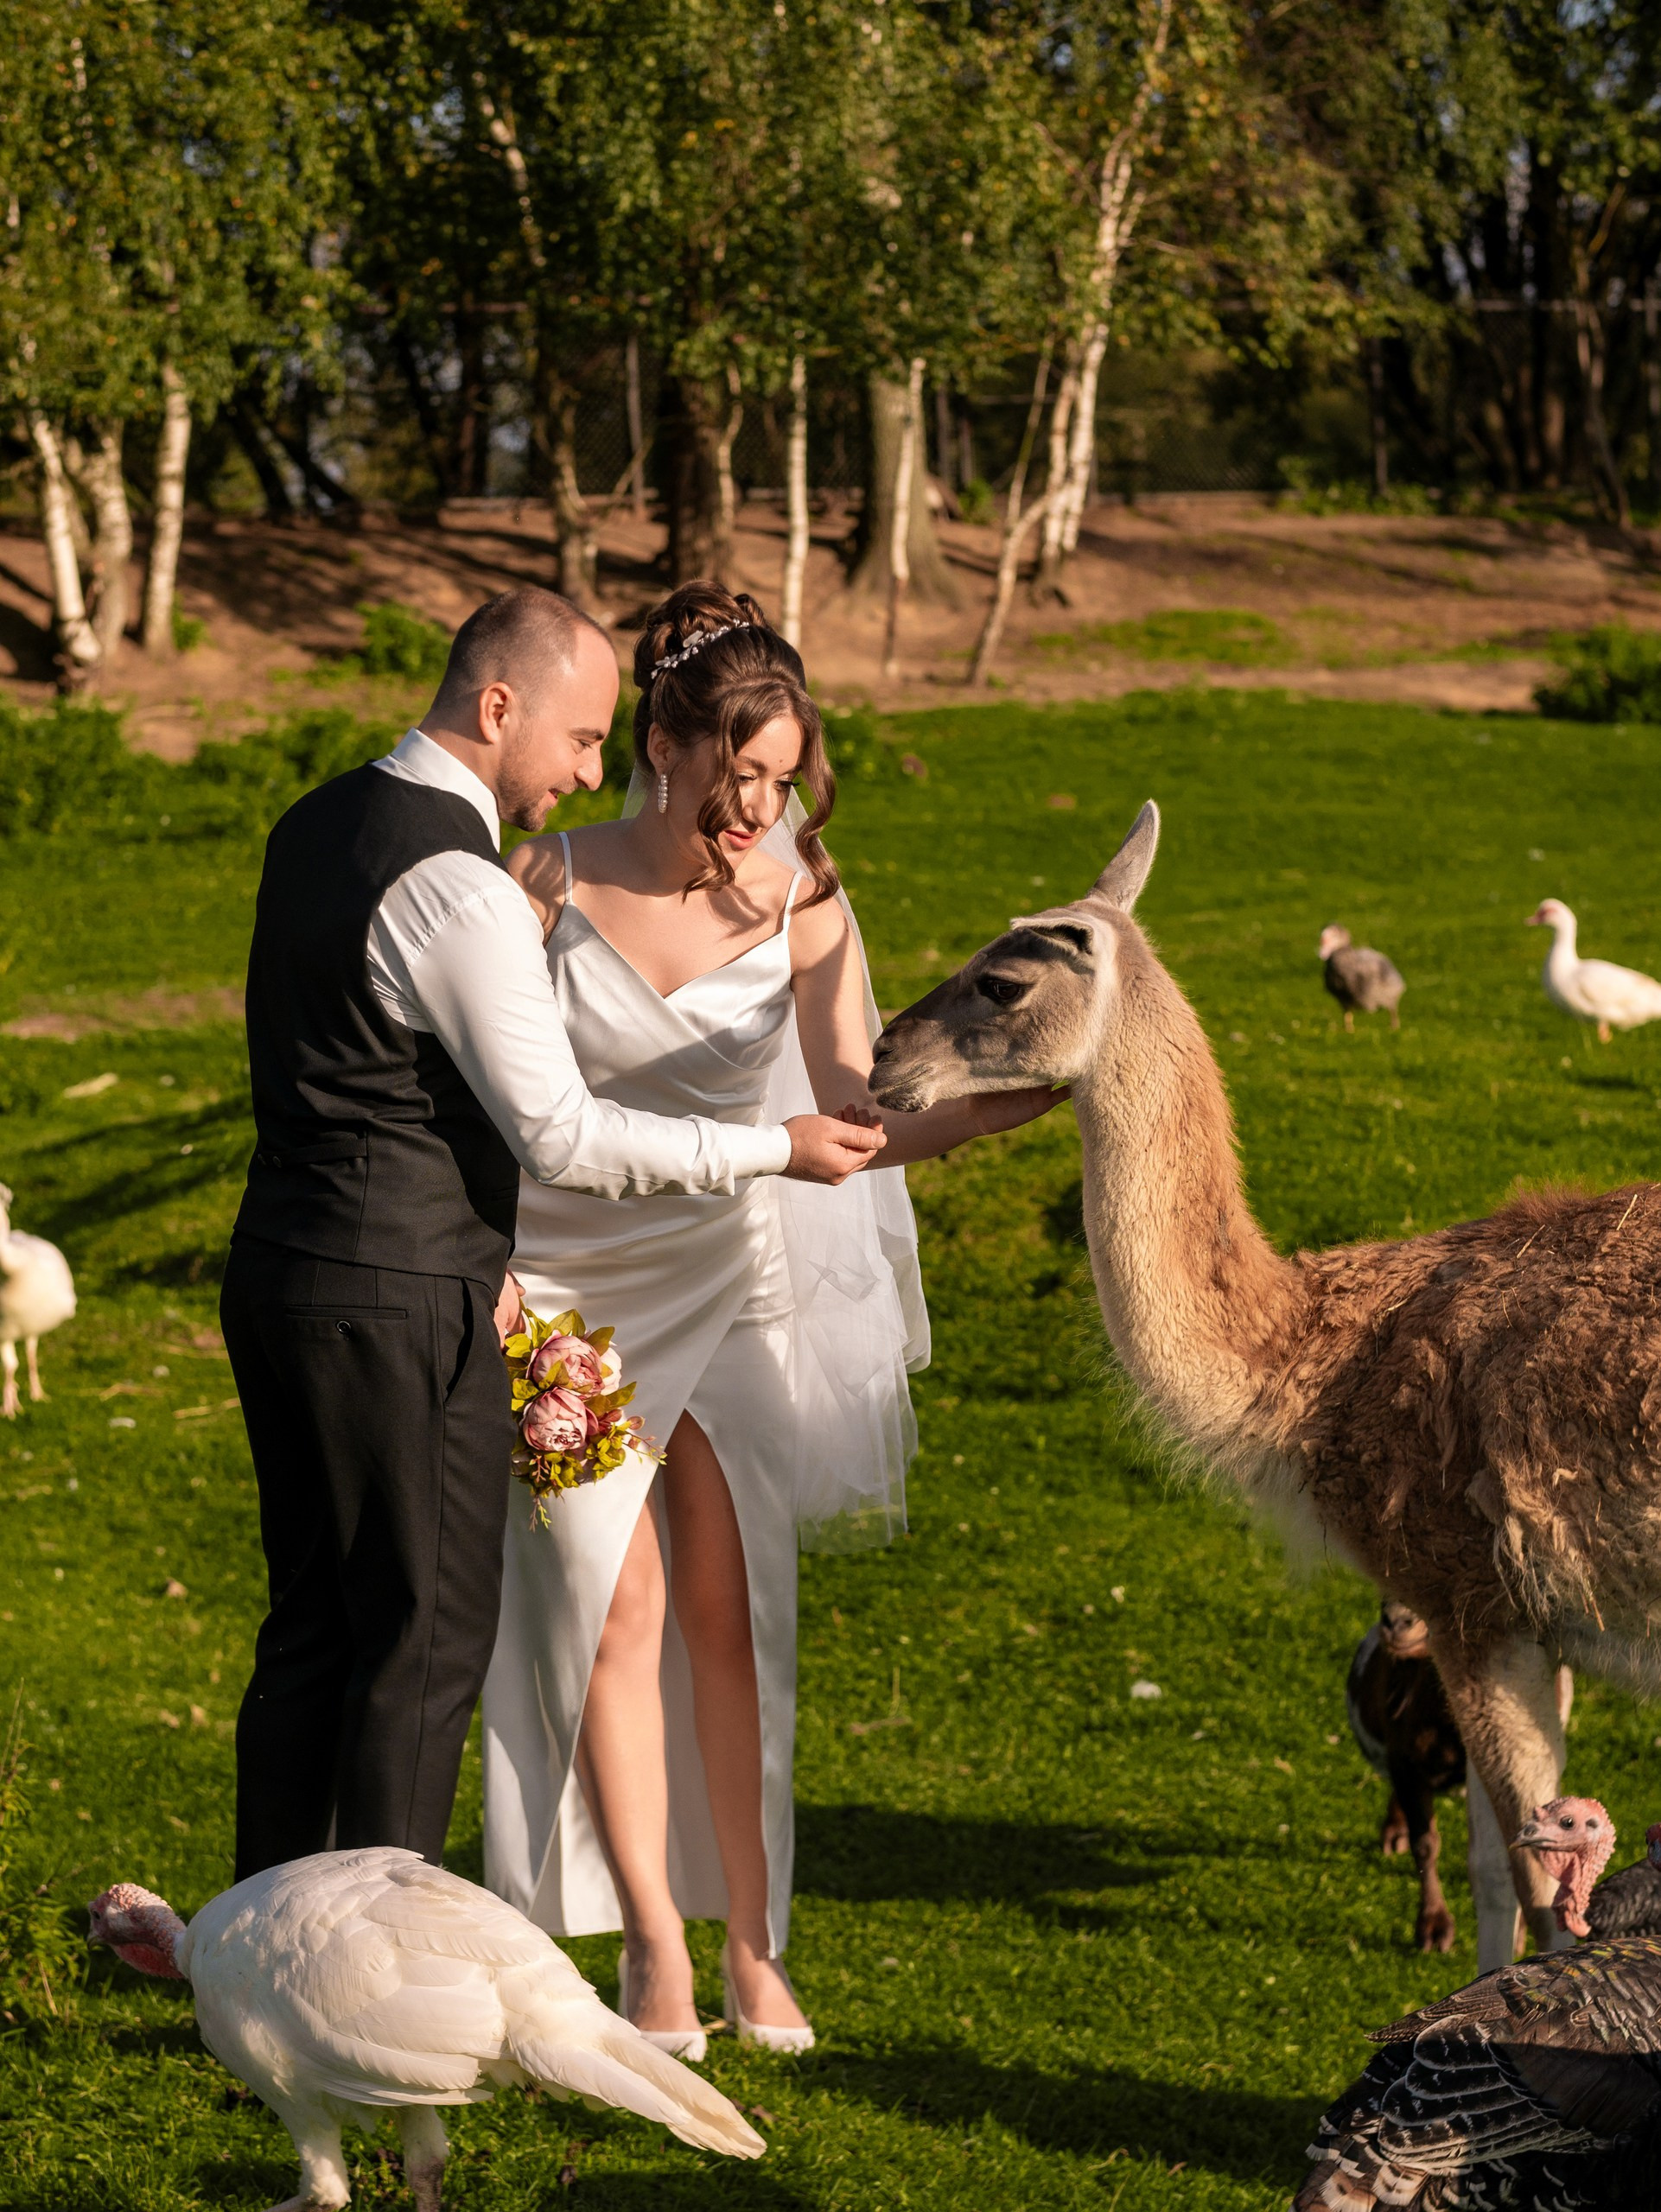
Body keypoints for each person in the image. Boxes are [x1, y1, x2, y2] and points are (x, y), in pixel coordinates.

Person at [222, 586, 884, 1885]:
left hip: (280, 1269)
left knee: (310, 1629)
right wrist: (775, 1146)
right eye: (581, 740)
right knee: (419, 1643)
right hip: (405, 1287)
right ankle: (371, 1982)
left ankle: (256, 1949)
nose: (591, 767)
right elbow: (565, 1138)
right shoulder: (462, 886)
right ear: (497, 705)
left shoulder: (312, 825)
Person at [481, 583, 1059, 2052]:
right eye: (734, 773)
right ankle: (654, 1955)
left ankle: (754, 1945)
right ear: (662, 743)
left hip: (731, 1267)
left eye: (782, 778)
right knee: (607, 1615)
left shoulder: (801, 896)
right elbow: (495, 1109)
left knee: (731, 1620)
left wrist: (999, 1114)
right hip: (566, 1290)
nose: (758, 807)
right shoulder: (541, 876)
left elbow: (845, 1114)